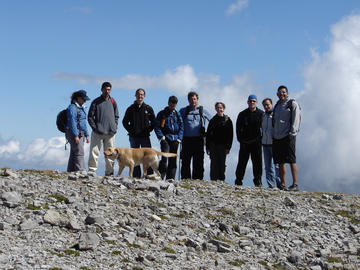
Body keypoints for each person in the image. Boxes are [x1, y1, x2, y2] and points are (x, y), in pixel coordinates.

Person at [272, 85, 301, 191]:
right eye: (280, 93)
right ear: (277, 94)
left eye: (284, 92)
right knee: (280, 161)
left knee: (292, 160)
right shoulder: (276, 106)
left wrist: (292, 133)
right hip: (277, 137)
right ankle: (282, 184)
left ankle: (295, 184)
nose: (282, 94)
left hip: (288, 136)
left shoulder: (292, 103)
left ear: (287, 93)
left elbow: (296, 118)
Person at [88, 82, 119, 176]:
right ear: (101, 90)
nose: (107, 91)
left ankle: (109, 172)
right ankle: (92, 170)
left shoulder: (113, 101)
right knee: (94, 151)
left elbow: (116, 116)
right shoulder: (95, 102)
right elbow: (90, 116)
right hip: (98, 132)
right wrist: (95, 128)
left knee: (111, 154)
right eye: (105, 89)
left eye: (109, 89)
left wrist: (115, 127)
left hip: (110, 133)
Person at [122, 88, 155, 178]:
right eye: (138, 94)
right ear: (135, 95)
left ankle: (149, 175)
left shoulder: (148, 108)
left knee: (148, 156)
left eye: (141, 94)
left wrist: (149, 130)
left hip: (145, 137)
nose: (140, 96)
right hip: (134, 137)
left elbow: (154, 122)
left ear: (144, 96)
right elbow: (124, 122)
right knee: (135, 157)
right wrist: (131, 131)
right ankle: (136, 176)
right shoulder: (130, 109)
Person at [179, 91, 211, 180]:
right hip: (186, 139)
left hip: (199, 139)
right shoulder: (183, 111)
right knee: (185, 161)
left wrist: (208, 133)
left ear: (197, 99)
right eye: (191, 99)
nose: (193, 101)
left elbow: (212, 121)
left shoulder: (203, 110)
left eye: (194, 99)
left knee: (199, 161)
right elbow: (176, 121)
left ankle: (198, 179)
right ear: (188, 100)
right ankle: (185, 179)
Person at [235, 95, 264, 187]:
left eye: (254, 101)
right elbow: (238, 128)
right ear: (247, 102)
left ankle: (258, 180)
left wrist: (261, 140)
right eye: (250, 101)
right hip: (245, 143)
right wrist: (241, 140)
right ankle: (238, 180)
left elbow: (264, 128)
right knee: (242, 162)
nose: (252, 103)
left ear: (256, 102)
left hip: (257, 143)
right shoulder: (242, 114)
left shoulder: (261, 114)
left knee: (257, 163)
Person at [154, 96, 184, 180]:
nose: (172, 107)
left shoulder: (177, 114)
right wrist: (161, 137)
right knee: (164, 158)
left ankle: (171, 178)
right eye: (171, 104)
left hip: (176, 139)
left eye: (174, 105)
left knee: (173, 159)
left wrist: (179, 138)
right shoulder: (162, 113)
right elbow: (157, 126)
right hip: (165, 138)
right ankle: (161, 176)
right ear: (168, 103)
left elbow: (182, 126)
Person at [206, 102, 233, 181]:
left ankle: (221, 180)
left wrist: (229, 147)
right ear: (215, 109)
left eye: (220, 108)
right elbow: (208, 134)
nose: (219, 109)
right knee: (213, 163)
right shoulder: (212, 120)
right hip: (213, 145)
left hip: (223, 145)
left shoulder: (228, 120)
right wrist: (207, 147)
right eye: (217, 108)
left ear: (223, 109)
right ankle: (213, 180)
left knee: (222, 163)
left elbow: (231, 135)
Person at [66, 90, 90, 172]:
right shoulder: (72, 107)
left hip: (80, 133)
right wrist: (75, 135)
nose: (85, 101)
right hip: (74, 133)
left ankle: (71, 170)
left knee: (74, 152)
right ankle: (81, 171)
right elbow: (72, 122)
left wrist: (87, 135)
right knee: (79, 152)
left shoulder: (81, 108)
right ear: (78, 98)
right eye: (84, 99)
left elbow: (83, 122)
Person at [261, 98, 280, 188]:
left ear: (271, 104)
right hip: (265, 144)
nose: (266, 106)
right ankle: (271, 185)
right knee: (268, 166)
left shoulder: (275, 115)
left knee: (277, 166)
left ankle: (280, 184)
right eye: (264, 105)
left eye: (268, 104)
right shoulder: (263, 116)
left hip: (274, 143)